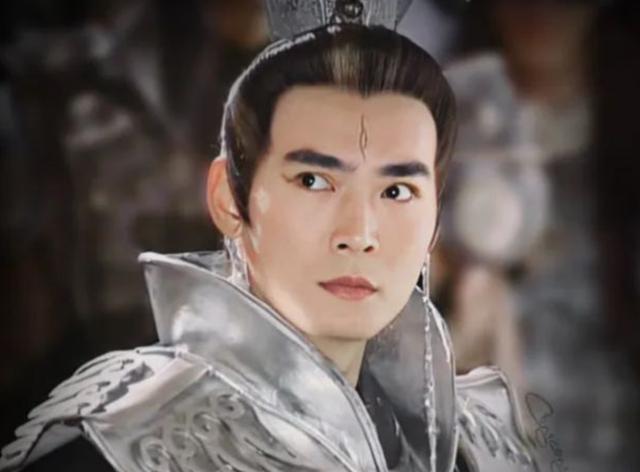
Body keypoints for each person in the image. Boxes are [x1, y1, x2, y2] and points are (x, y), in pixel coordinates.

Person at [0, 1, 537, 471]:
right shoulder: (120, 449)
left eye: (397, 191)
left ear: (436, 220)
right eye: (313, 181)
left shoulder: (483, 446)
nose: (359, 234)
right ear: (228, 199)